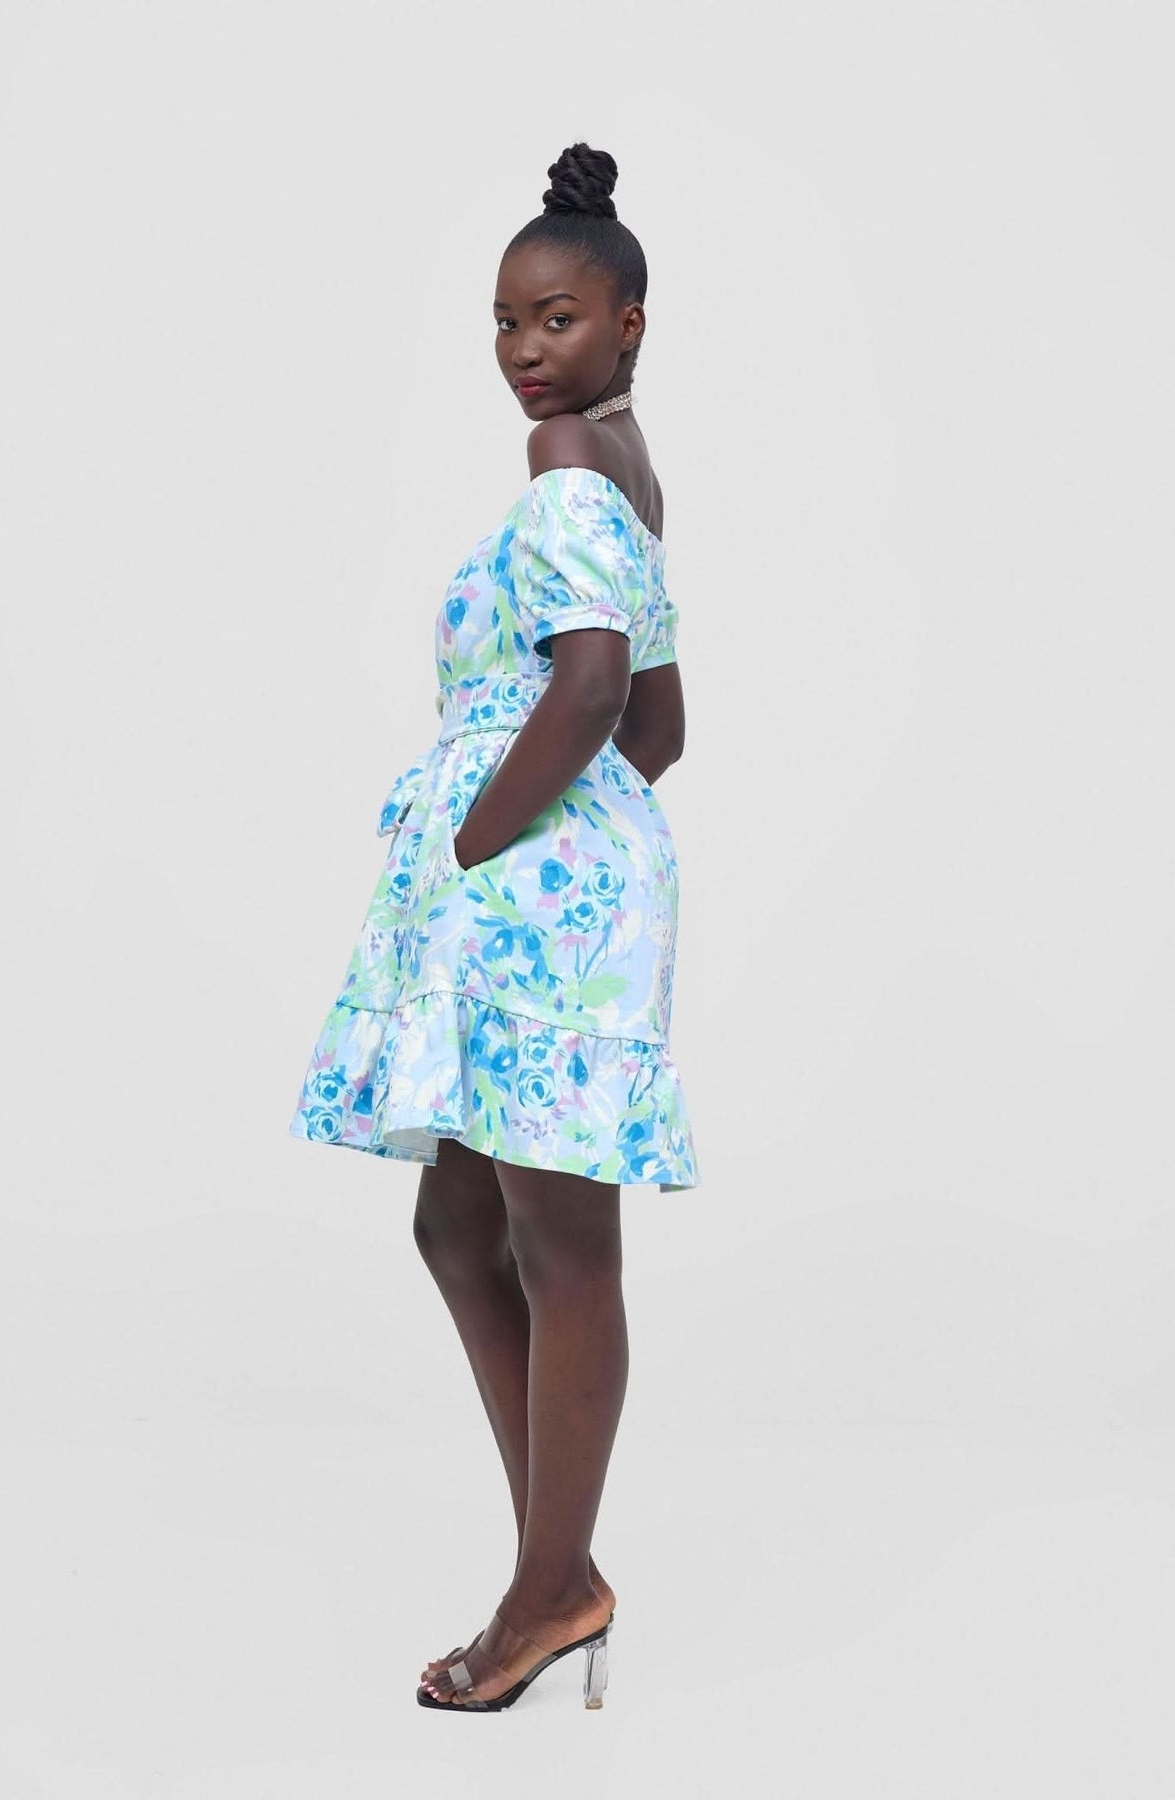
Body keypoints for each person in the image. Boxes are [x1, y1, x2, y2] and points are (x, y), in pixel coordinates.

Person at [287, 141, 701, 1712]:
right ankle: (559, 1569)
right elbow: (660, 727)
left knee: (557, 1240)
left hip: (520, 888)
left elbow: (597, 697)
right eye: (505, 323)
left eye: (557, 318)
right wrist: (562, 851)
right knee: (463, 1225)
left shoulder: (567, 463)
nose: (526, 350)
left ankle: (548, 1591)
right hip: (544, 888)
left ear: (628, 322)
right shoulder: (629, 472)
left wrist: (481, 844)